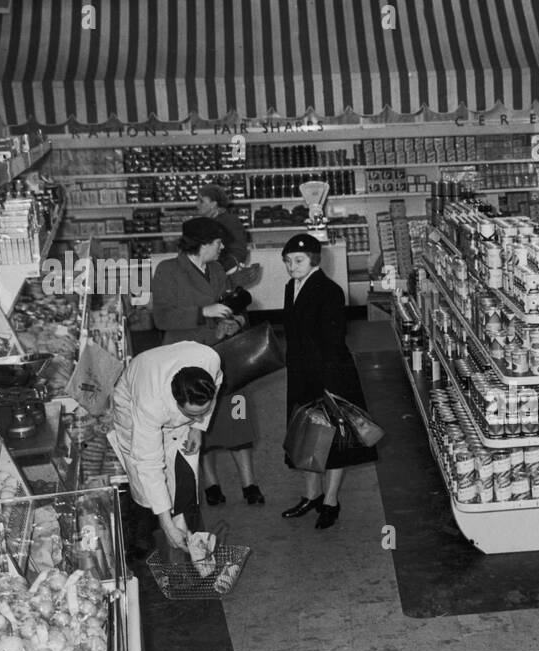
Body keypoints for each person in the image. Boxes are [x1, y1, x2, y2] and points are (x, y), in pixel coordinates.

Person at [150, 217, 265, 506]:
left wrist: (236, 321)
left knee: (238, 419)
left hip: (224, 357)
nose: (222, 246)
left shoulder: (216, 269)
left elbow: (233, 307)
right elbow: (161, 316)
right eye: (217, 242)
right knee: (198, 423)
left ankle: (249, 483)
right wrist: (203, 312)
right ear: (202, 244)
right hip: (186, 361)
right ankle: (211, 484)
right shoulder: (168, 270)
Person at [279, 233, 374, 530]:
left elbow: (333, 341)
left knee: (334, 440)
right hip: (300, 374)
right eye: (287, 261)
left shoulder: (329, 291)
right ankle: (311, 495)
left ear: (314, 260)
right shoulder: (290, 287)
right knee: (304, 435)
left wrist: (326, 385)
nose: (291, 266)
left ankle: (331, 501)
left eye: (298, 261)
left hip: (329, 374)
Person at [109, 341, 221, 559]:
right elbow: (149, 463)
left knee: (184, 479)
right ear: (176, 401)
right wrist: (167, 523)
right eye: (192, 414)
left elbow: (217, 383)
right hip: (132, 411)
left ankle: (189, 548)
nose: (199, 417)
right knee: (146, 489)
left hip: (164, 390)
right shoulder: (150, 403)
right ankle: (146, 538)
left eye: (203, 412)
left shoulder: (210, 359)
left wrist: (197, 427)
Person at [196, 184, 251, 272]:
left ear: (213, 204)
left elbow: (239, 254)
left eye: (201, 201)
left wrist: (217, 270)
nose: (197, 204)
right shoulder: (202, 223)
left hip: (224, 274)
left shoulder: (230, 222)